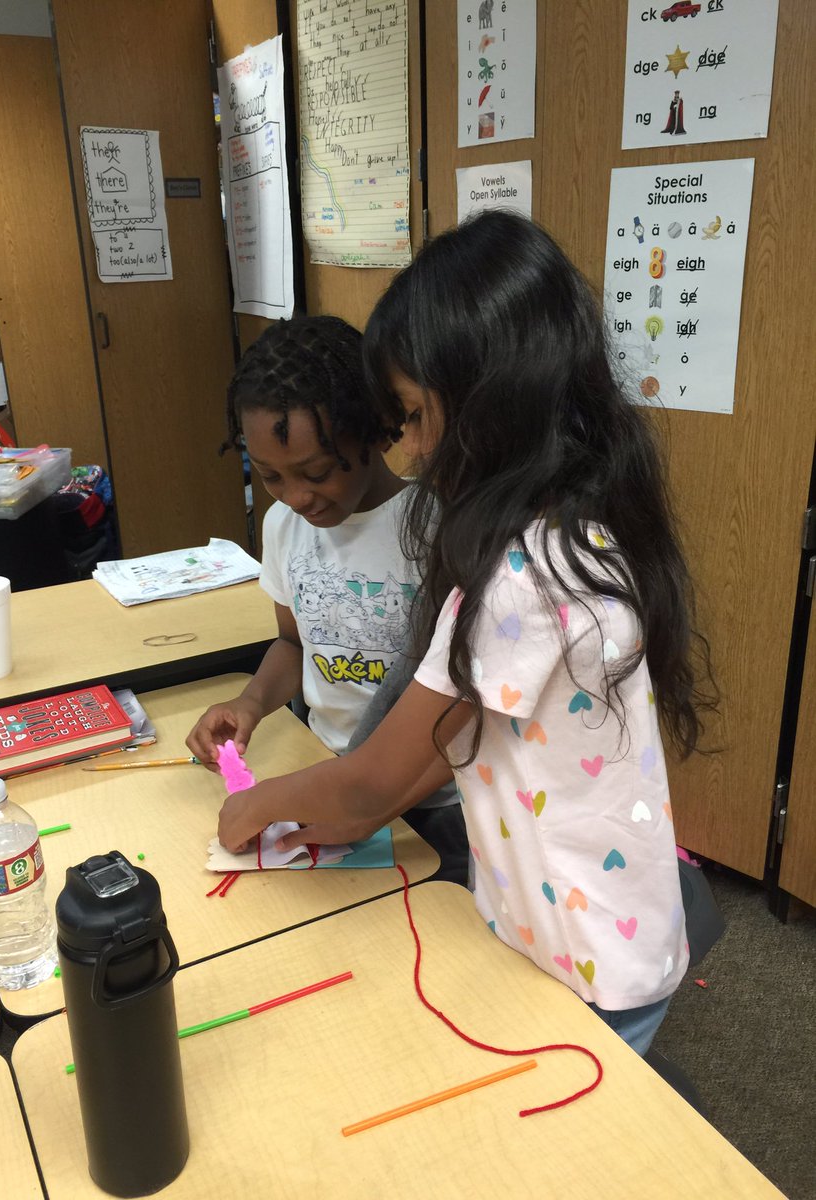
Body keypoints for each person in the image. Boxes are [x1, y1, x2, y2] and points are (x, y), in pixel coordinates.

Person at [218, 212, 717, 1056]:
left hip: (591, 958)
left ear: (495, 399)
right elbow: (418, 755)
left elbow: (372, 786)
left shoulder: (524, 574)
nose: (408, 449)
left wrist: (250, 808)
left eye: (412, 417)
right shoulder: (574, 525)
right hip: (569, 922)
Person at [187, 314, 468, 882]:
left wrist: (362, 795)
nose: (296, 497)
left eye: (316, 472)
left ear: (372, 431)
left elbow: (462, 705)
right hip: (325, 775)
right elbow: (293, 643)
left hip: (434, 800)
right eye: (270, 477)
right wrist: (251, 703)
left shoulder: (438, 527)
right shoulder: (284, 529)